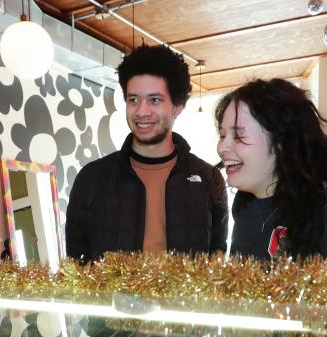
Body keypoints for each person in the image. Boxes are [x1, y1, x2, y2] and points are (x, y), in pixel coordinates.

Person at [65, 45, 227, 263]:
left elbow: (216, 259)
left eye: (154, 100)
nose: (142, 111)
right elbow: (77, 264)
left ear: (178, 106)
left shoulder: (208, 178)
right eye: (133, 100)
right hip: (112, 298)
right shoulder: (92, 178)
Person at [215, 78, 327, 270]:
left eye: (239, 135)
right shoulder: (246, 208)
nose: (222, 147)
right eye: (222, 135)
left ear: (282, 143)